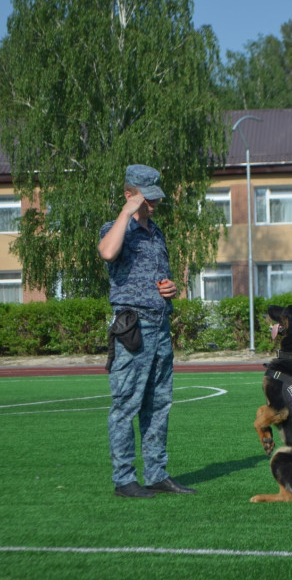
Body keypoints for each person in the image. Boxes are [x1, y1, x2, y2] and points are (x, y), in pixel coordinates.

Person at [97, 164, 196, 498]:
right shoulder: (115, 229)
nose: (154, 204)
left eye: (156, 198)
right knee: (126, 405)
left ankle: (156, 474)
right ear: (130, 195)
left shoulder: (156, 233)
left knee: (159, 404)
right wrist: (127, 211)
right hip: (133, 328)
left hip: (160, 326)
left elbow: (161, 279)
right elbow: (108, 253)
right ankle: (124, 480)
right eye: (146, 198)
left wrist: (171, 289)